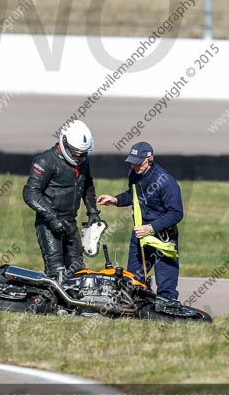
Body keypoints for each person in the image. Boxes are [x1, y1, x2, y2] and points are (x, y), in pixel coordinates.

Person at [97, 142, 183, 300]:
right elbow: (133, 195)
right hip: (140, 236)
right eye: (132, 162)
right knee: (134, 283)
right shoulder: (134, 174)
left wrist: (150, 228)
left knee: (166, 289)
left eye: (138, 162)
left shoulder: (166, 182)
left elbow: (176, 213)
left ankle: (168, 316)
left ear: (150, 159)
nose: (134, 166)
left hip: (163, 240)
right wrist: (115, 200)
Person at [23, 120, 102, 279]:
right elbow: (30, 193)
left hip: (70, 222)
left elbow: (87, 184)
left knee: (78, 270)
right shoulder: (45, 161)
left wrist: (93, 212)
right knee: (56, 271)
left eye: (83, 152)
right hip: (48, 224)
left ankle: (74, 302)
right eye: (75, 152)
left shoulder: (83, 161)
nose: (79, 156)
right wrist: (52, 218)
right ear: (64, 142)